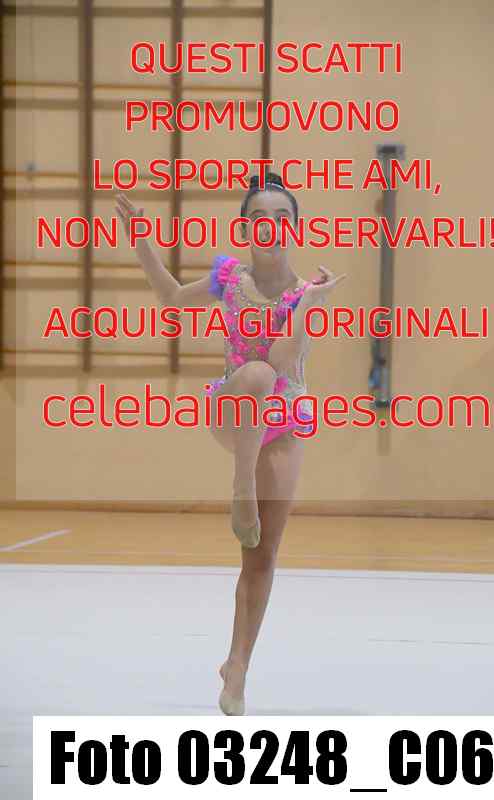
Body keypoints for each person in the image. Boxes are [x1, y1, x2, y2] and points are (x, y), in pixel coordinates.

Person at [115, 172, 346, 715]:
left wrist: (308, 305)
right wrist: (142, 240)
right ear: (245, 229)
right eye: (259, 218)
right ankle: (241, 487)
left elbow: (286, 359)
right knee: (256, 375)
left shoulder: (306, 294)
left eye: (282, 218)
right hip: (235, 404)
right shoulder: (229, 279)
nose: (271, 227)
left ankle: (237, 666)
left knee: (261, 555)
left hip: (282, 420)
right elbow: (171, 297)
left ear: (294, 228)